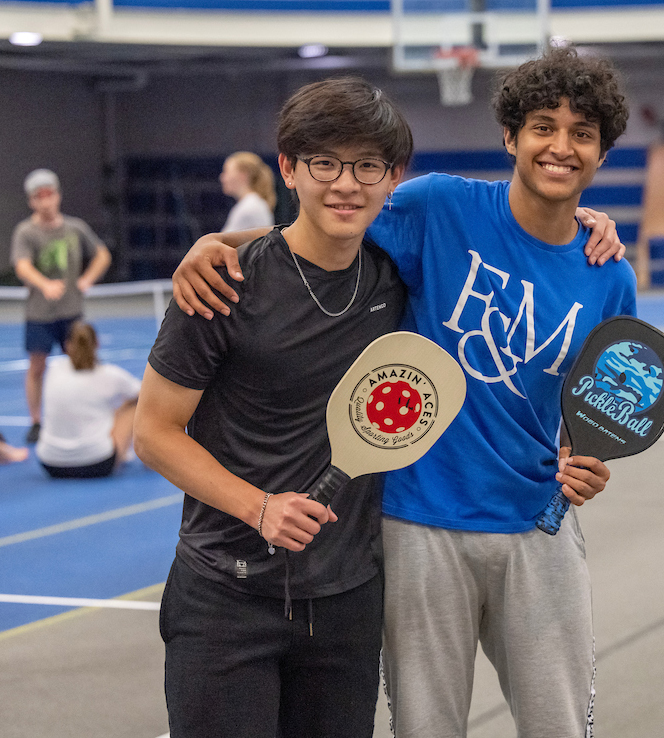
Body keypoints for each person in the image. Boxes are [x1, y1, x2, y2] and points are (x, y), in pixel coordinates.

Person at [173, 47, 635, 737]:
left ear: (601, 153)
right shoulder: (438, 206)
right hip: (417, 525)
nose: (560, 147)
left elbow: (590, 413)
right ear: (511, 136)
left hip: (536, 529)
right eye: (543, 126)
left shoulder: (608, 276)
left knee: (561, 727)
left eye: (582, 134)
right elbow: (327, 226)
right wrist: (218, 242)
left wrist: (586, 460)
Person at [133, 77, 413, 738]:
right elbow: (152, 432)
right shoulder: (223, 284)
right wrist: (257, 507)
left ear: (392, 178)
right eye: (324, 162)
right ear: (288, 168)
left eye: (367, 165)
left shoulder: (399, 275)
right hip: (226, 598)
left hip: (347, 601)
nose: (346, 183)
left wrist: (586, 221)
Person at [11, 168, 112, 444]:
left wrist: (88, 279)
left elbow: (102, 254)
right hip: (40, 313)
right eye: (39, 197)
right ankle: (35, 420)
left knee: (81, 361)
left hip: (71, 311)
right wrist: (44, 284)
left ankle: (86, 414)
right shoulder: (26, 232)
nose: (45, 201)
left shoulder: (75, 228)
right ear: (32, 201)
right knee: (37, 366)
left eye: (49, 194)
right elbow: (22, 265)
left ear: (57, 196)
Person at [36, 320, 141, 478]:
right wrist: (123, 407)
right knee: (135, 407)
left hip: (50, 463)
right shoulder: (109, 375)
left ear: (67, 345)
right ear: (97, 343)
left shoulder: (54, 369)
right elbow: (143, 394)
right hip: (97, 463)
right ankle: (146, 458)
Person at [219, 151, 277, 231]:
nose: (222, 178)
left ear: (243, 175)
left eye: (226, 172)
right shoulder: (252, 204)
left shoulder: (249, 208)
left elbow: (224, 241)